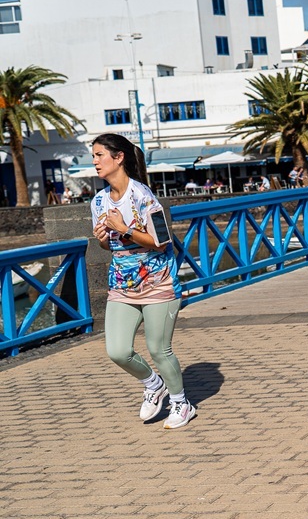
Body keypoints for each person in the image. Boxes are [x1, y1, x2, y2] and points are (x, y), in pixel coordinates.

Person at [90, 133, 195, 429]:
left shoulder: (142, 196)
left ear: (118, 157)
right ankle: (153, 384)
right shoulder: (98, 202)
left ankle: (181, 403)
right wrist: (103, 241)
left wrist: (123, 229)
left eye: (99, 155)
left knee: (159, 349)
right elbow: (111, 245)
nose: (94, 161)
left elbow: (161, 242)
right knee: (118, 351)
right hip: (122, 285)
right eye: (94, 155)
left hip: (159, 282)